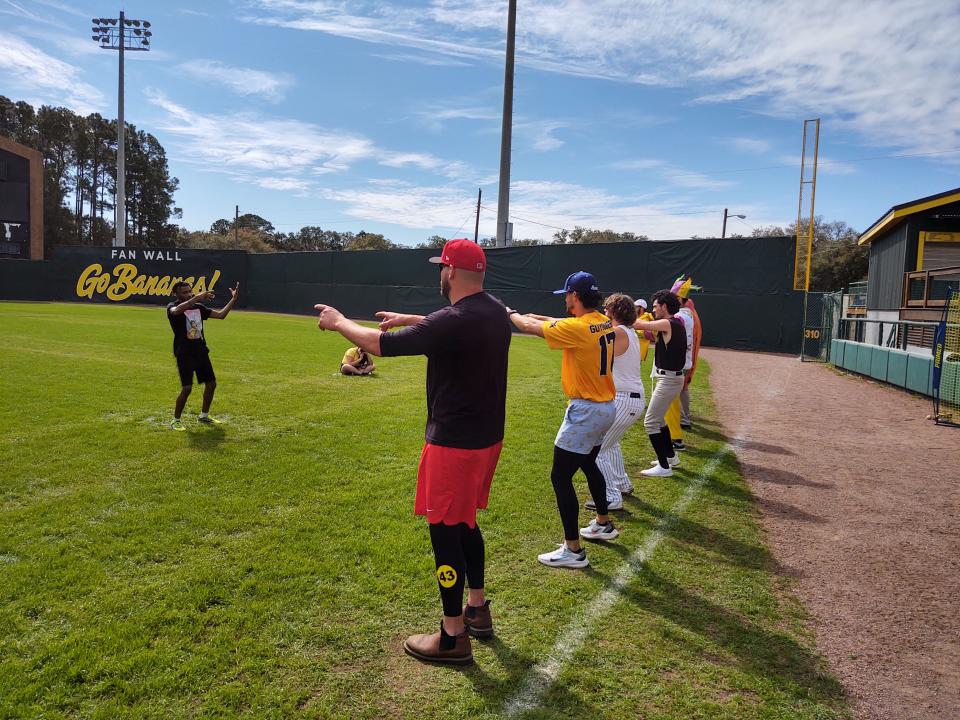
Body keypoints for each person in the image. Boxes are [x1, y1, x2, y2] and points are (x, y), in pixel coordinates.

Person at [314, 238, 510, 666]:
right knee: (465, 523)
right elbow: (455, 325)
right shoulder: (494, 311)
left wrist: (338, 320)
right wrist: (416, 319)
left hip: (453, 444)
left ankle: (452, 635)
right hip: (486, 439)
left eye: (441, 267)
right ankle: (476, 608)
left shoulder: (454, 320)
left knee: (445, 531)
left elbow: (378, 344)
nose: (439, 274)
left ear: (452, 272)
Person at [508, 271, 619, 570]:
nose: (566, 300)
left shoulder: (577, 328)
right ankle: (603, 523)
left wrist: (512, 313)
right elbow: (564, 325)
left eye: (567, 295)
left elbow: (532, 327)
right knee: (587, 463)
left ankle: (573, 550)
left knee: (560, 476)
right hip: (606, 405)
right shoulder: (602, 320)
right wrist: (540, 317)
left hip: (586, 410)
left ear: (576, 296)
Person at [585, 293, 644, 512]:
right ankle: (622, 483)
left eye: (608, 310)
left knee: (595, 449)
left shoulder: (618, 332)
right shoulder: (628, 331)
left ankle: (611, 497)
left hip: (624, 398)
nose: (605, 313)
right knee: (611, 444)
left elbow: (590, 338)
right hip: (630, 398)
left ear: (615, 313)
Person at [166, 280, 239, 431]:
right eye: (184, 292)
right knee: (187, 388)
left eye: (189, 291)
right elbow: (177, 310)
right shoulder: (172, 307)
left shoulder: (198, 308)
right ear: (176, 294)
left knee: (211, 384)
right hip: (184, 353)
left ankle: (204, 416)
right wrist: (198, 297)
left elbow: (221, 315)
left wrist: (233, 300)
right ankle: (176, 420)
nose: (188, 294)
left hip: (200, 351)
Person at [634, 289, 687, 477]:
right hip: (672, 378)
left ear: (664, 306)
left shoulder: (667, 322)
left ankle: (664, 467)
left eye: (656, 306)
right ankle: (671, 457)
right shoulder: (676, 322)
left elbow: (637, 324)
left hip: (669, 379)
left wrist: (623, 316)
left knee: (650, 422)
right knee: (659, 419)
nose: (654, 310)